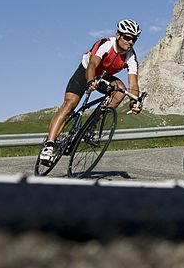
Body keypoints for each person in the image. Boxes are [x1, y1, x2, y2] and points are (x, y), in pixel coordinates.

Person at [39, 19, 143, 163]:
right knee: (69, 105)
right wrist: (90, 81)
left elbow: (134, 85)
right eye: (127, 37)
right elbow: (92, 65)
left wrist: (134, 101)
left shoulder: (131, 57)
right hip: (86, 72)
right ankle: (49, 146)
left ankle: (91, 125)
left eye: (134, 39)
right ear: (118, 35)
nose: (130, 42)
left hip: (104, 76)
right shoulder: (105, 44)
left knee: (120, 91)